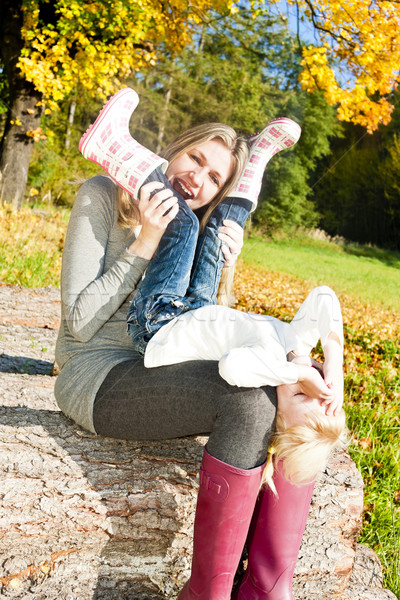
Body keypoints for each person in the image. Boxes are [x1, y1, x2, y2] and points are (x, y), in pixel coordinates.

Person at [55, 87, 344, 600]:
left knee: (292, 396)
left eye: (216, 178)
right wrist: (145, 240)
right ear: (174, 148)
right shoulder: (101, 195)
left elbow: (202, 327)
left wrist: (227, 263)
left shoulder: (197, 230)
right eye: (196, 159)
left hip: (166, 358)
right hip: (97, 373)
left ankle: (261, 590)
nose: (198, 178)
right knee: (248, 400)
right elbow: (79, 322)